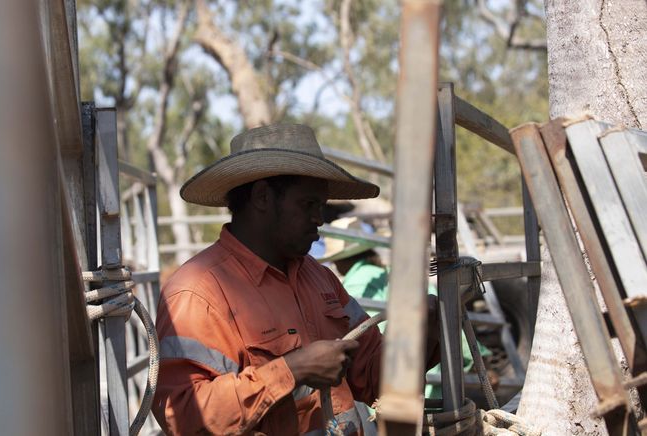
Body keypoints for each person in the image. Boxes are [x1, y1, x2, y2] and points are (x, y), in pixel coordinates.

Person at [151, 124, 440, 435]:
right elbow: (180, 414)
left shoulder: (320, 279)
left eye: (321, 207)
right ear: (262, 197)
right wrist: (293, 370)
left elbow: (371, 377)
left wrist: (418, 334)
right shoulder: (198, 292)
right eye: (308, 205)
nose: (319, 219)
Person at [316, 216, 494, 400]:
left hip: (388, 380)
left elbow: (362, 342)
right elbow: (442, 311)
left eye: (336, 260)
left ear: (342, 260)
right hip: (422, 374)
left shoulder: (356, 282)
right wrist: (477, 358)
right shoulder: (389, 275)